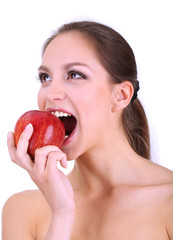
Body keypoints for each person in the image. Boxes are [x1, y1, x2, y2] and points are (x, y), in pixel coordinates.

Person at [2, 21, 173, 239]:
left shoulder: (168, 202)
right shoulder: (23, 210)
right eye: (45, 77)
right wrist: (62, 215)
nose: (51, 94)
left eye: (75, 75)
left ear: (120, 96)